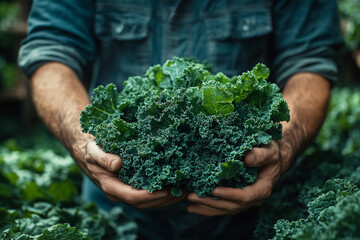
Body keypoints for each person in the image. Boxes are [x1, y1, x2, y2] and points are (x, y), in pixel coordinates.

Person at [18, 0, 343, 239]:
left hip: (250, 214)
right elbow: (52, 52)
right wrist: (83, 142)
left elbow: (309, 61)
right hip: (116, 210)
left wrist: (283, 146)